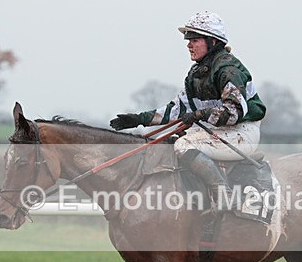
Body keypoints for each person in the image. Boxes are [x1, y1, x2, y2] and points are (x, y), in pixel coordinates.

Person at [110, 11, 267, 208]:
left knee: (184, 146)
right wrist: (138, 119)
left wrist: (199, 114)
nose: (188, 44)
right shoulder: (196, 73)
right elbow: (176, 109)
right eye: (187, 39)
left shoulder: (228, 70)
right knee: (170, 142)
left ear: (212, 41)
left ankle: (224, 195)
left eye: (194, 39)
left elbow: (233, 113)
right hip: (220, 130)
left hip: (242, 132)